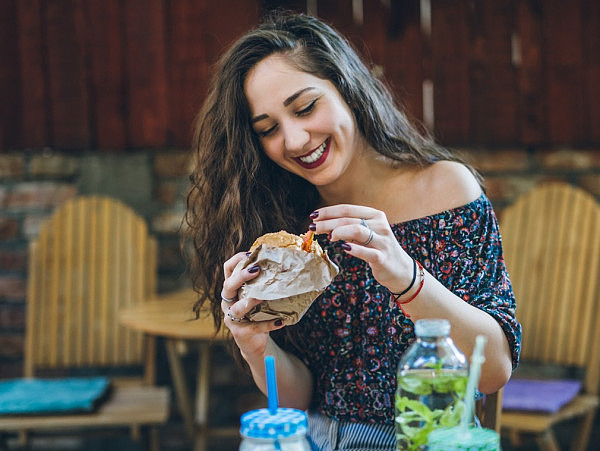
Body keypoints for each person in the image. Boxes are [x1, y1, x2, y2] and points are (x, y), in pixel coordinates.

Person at [184, 12, 521, 450]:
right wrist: (254, 344)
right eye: (268, 130)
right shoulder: (286, 228)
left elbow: (493, 370)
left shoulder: (445, 188)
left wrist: (404, 275)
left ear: (348, 90)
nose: (295, 140)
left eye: (305, 108)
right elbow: (300, 401)